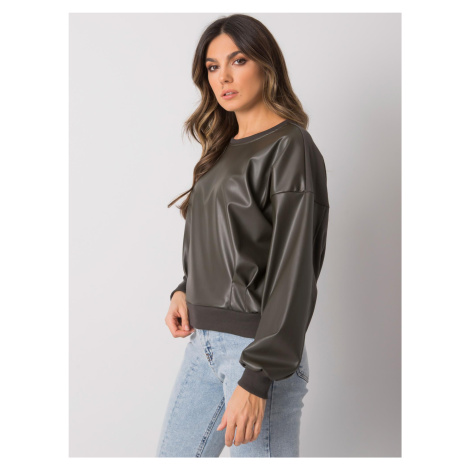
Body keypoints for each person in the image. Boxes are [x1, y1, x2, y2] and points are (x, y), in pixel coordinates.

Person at [156, 13, 329, 458]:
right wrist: (185, 288)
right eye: (213, 66)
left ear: (266, 64)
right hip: (203, 344)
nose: (224, 77)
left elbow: (294, 268)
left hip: (257, 352)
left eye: (238, 60)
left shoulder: (290, 146)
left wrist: (257, 376)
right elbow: (224, 239)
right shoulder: (220, 148)